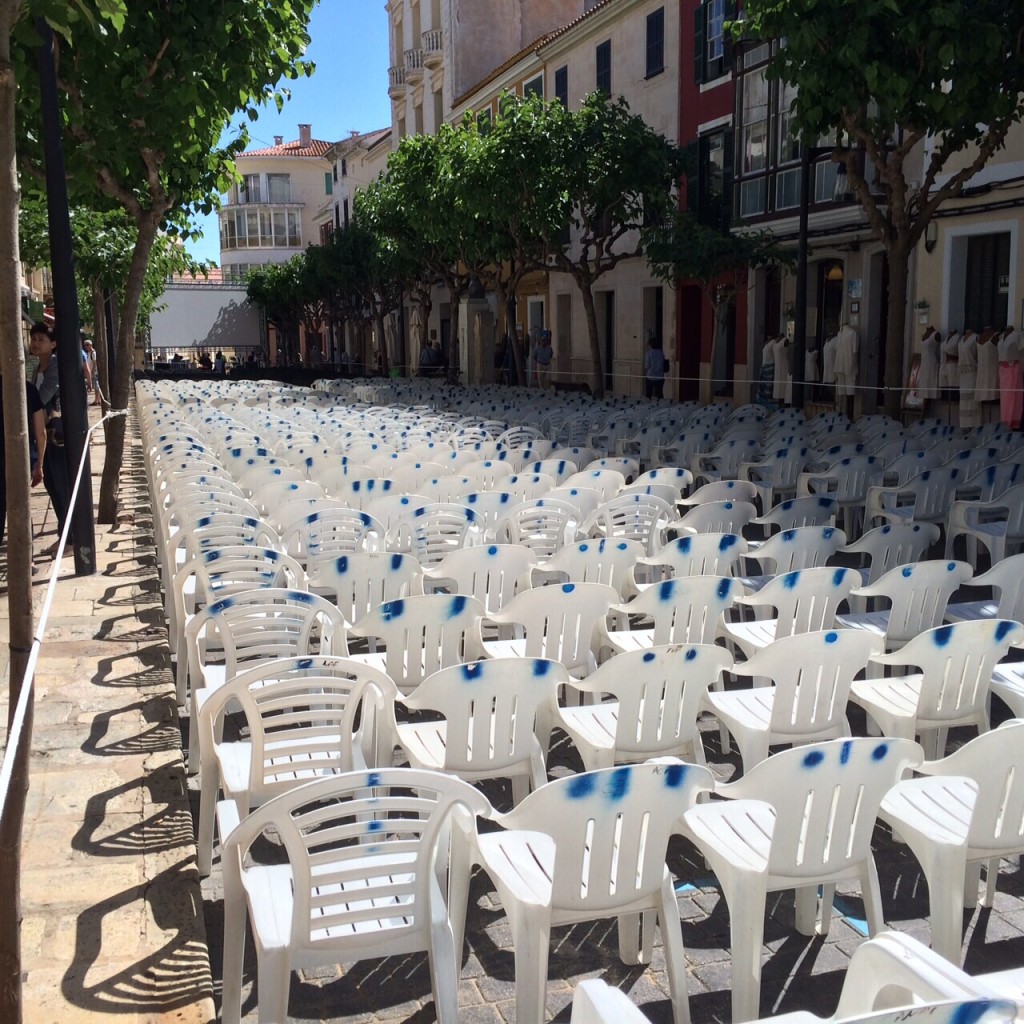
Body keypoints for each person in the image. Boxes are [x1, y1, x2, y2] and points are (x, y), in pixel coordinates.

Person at [28, 324, 70, 556]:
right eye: (33, 338)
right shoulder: (37, 369)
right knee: (52, 486)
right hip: (43, 436)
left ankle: (71, 539)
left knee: (61, 487)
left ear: (52, 344)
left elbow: (41, 399)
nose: (35, 343)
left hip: (58, 437)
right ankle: (63, 536)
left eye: (41, 339)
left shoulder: (54, 368)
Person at [0, 377, 46, 547]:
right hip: (21, 457)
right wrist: (39, 464)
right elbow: (40, 432)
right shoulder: (28, 389)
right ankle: (28, 556)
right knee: (21, 506)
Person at [643, 335, 667, 399]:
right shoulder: (660, 353)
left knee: (648, 394)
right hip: (660, 376)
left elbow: (647, 365)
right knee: (660, 393)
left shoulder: (648, 353)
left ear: (650, 345)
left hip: (650, 376)